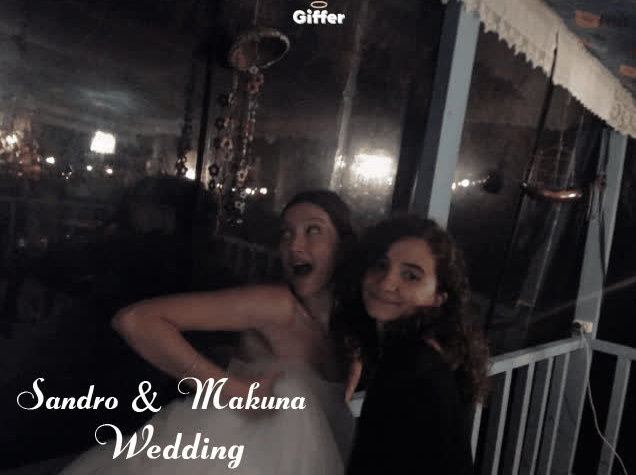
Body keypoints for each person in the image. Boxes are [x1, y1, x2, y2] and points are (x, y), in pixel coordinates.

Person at [59, 189, 364, 475]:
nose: (294, 245)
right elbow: (135, 321)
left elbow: (340, 393)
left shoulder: (350, 324)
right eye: (286, 233)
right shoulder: (276, 304)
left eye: (313, 230)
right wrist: (231, 390)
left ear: (344, 246)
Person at [347, 215, 489, 475]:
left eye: (411, 276)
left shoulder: (410, 366)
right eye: (381, 265)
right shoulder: (431, 352)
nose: (386, 283)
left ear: (438, 297)